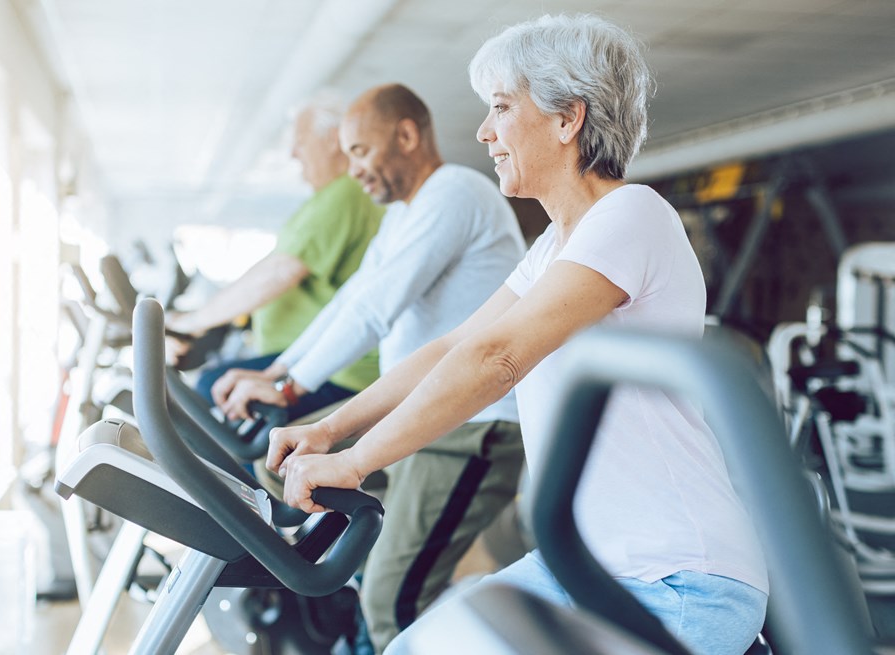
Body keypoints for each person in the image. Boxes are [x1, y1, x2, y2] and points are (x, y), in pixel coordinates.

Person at [266, 15, 769, 655]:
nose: (484, 132)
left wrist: (356, 462)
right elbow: (451, 347)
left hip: (676, 577)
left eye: (501, 108)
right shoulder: (554, 247)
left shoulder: (631, 214)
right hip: (588, 568)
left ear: (568, 119)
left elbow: (498, 358)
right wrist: (331, 429)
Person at [214, 84, 527, 653]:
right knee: (284, 465)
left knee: (391, 601)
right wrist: (279, 372)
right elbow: (351, 299)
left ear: (406, 136)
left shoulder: (455, 192)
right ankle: (357, 609)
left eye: (360, 151)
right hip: (420, 414)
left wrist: (289, 386)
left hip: (473, 428)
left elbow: (374, 310)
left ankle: (381, 620)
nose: (353, 169)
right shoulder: (403, 214)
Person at [165, 93, 383, 419]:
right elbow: (271, 266)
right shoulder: (329, 197)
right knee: (218, 388)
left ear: (334, 141)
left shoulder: (345, 194)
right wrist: (198, 319)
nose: (293, 154)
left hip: (342, 370)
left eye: (300, 141)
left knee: (213, 386)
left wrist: (193, 323)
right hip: (307, 355)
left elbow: (280, 272)